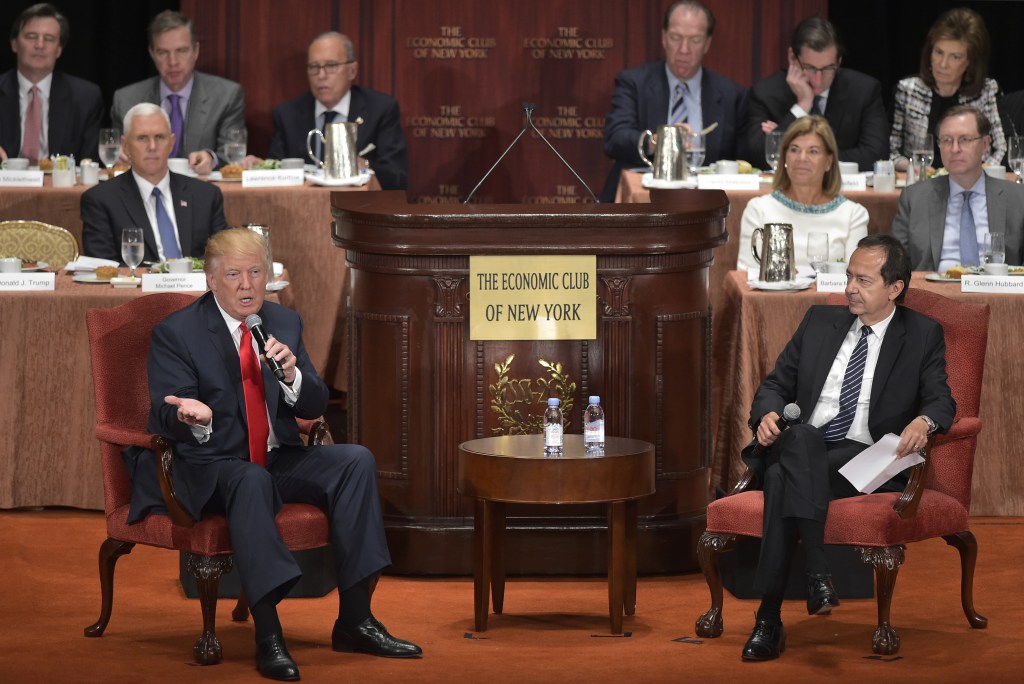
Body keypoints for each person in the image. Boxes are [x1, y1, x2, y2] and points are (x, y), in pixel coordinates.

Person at [125, 228, 422, 680]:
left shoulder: (282, 324)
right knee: (250, 479)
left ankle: (356, 621)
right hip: (210, 465)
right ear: (211, 280)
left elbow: (315, 406)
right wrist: (195, 418)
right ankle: (269, 634)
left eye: (255, 273)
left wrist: (293, 376)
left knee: (355, 460)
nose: (247, 285)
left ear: (269, 277)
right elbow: (162, 418)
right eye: (234, 275)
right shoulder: (177, 332)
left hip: (275, 456)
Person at [739, 234, 955, 661]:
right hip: (806, 441)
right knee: (800, 436)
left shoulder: (921, 333)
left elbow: (940, 397)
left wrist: (924, 420)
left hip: (861, 455)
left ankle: (768, 620)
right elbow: (776, 383)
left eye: (863, 280)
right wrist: (766, 413)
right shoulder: (820, 321)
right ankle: (818, 571)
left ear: (895, 288)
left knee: (783, 475)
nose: (850, 288)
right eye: (848, 277)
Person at [601, 0, 747, 202]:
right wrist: (656, 142)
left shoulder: (731, 94)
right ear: (664, 38)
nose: (684, 50)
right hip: (647, 202)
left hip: (708, 206)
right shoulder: (634, 83)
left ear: (707, 44)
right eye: (676, 38)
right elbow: (615, 139)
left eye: (695, 40)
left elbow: (743, 161)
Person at [81, 103, 228, 263]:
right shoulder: (101, 200)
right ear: (125, 146)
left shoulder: (205, 195)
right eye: (142, 138)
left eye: (159, 137)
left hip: (197, 287)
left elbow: (223, 256)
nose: (152, 147)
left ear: (172, 142)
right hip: (135, 287)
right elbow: (105, 268)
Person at [265, 31, 409, 190]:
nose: (321, 75)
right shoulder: (287, 115)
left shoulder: (380, 110)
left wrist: (363, 164)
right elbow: (275, 172)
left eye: (331, 66)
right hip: (301, 208)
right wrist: (259, 167)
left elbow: (397, 178)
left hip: (358, 208)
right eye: (314, 67)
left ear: (352, 71)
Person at [111, 10, 246, 176]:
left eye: (181, 51)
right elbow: (116, 153)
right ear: (152, 54)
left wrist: (211, 158)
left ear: (195, 51)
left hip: (200, 192)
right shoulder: (126, 99)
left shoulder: (226, 95)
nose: (173, 62)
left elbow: (233, 152)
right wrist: (122, 156)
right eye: (163, 53)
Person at [891, 105, 1024, 272]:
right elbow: (895, 266)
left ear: (985, 144)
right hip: (935, 292)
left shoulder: (1018, 198)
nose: (954, 149)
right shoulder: (914, 197)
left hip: (997, 292)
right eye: (947, 140)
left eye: (965, 139)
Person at [747, 16, 887, 172]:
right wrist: (801, 107)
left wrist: (787, 144)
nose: (818, 80)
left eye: (828, 68)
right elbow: (758, 157)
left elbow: (876, 155)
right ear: (792, 58)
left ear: (839, 62)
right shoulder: (765, 93)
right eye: (810, 68)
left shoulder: (863, 90)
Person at [738, 116, 868, 273]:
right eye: (794, 150)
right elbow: (746, 278)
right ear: (784, 156)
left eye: (813, 151)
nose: (802, 158)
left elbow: (856, 282)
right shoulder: (758, 210)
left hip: (831, 298)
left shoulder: (853, 215)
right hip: (773, 298)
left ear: (829, 161)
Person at [890, 7, 1004, 170]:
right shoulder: (907, 90)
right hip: (921, 183)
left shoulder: (987, 92)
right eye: (939, 52)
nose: (943, 64)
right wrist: (912, 167)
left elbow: (1002, 148)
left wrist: (980, 174)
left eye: (955, 57)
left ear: (970, 62)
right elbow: (890, 152)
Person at [0, 3, 103, 162]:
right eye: (31, 36)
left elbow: (89, 162)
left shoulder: (85, 97)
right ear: (14, 44)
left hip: (61, 185)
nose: (39, 45)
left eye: (49, 39)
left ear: (59, 49)